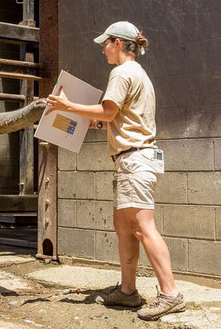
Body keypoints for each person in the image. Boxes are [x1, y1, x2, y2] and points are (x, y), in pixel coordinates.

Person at [44, 21, 186, 321]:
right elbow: (115, 118)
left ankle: (171, 294)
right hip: (132, 161)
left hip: (135, 161)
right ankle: (128, 291)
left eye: (105, 44)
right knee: (124, 226)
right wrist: (88, 120)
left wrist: (68, 106)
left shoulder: (121, 72)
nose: (102, 50)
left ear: (118, 43)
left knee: (142, 226)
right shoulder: (138, 74)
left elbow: (108, 111)